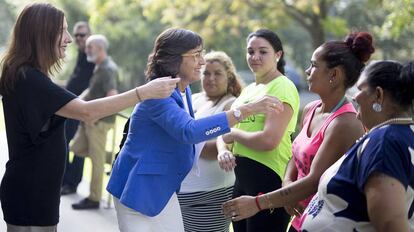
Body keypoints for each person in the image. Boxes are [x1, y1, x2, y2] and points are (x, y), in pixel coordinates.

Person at [0, 3, 180, 231]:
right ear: (41, 34)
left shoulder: (26, 74)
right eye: (62, 31)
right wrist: (143, 92)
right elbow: (86, 111)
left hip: (34, 187)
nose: (68, 39)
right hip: (31, 189)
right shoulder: (29, 78)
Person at [106, 28, 284, 232]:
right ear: (174, 59)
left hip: (163, 189)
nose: (202, 61)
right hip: (137, 189)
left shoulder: (183, 89)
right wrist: (244, 111)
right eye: (196, 55)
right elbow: (189, 131)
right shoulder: (159, 93)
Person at [222, 32, 375, 232]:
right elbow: (294, 155)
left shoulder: (345, 123)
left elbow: (314, 181)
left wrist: (257, 203)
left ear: (334, 74)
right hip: (301, 215)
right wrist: (287, 187)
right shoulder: (311, 109)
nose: (307, 70)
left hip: (330, 221)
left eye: (313, 65)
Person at [299, 61, 414, 231]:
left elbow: (390, 223)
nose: (354, 96)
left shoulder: (384, 141)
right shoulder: (396, 135)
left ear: (378, 95)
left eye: (360, 89)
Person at [217, 28, 300, 232]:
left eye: (263, 52)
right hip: (242, 180)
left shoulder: (282, 87)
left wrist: (234, 135)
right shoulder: (249, 90)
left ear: (278, 55)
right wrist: (223, 150)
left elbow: (268, 140)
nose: (255, 57)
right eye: (250, 51)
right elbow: (224, 130)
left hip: (269, 180)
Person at [178, 51, 243, 232]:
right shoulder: (194, 98)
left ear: (229, 77)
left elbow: (221, 147)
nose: (211, 78)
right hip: (181, 190)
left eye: (218, 73)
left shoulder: (232, 106)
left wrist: (182, 139)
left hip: (210, 194)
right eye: (206, 73)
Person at [70, 34, 119, 210]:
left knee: (96, 162)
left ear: (99, 48)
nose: (87, 50)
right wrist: (76, 103)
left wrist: (95, 116)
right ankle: (116, 160)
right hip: (89, 119)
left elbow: (112, 95)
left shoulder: (107, 68)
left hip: (99, 122)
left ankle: (94, 199)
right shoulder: (99, 67)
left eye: (90, 47)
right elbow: (92, 90)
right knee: (76, 148)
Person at [61, 21, 95, 196]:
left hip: (81, 109)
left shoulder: (95, 56)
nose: (79, 38)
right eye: (76, 35)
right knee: (64, 142)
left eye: (82, 35)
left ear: (90, 35)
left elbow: (94, 86)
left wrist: (81, 102)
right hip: (69, 106)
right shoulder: (82, 55)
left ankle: (71, 183)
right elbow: (76, 79)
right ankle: (65, 181)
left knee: (77, 147)